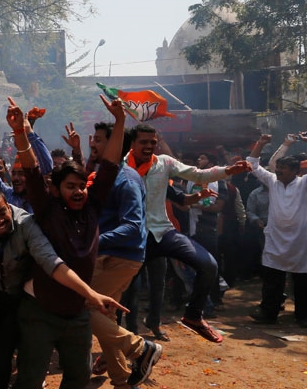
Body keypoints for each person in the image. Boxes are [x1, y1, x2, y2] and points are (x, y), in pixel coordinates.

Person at [0, 96, 128, 389]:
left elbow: (111, 164)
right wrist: (20, 131)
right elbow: (31, 169)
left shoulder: (93, 208)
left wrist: (119, 122)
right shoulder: (47, 209)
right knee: (31, 375)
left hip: (76, 312)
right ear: (56, 189)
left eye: (82, 185)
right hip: (39, 311)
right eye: (70, 185)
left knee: (80, 370)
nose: (79, 190)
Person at [126, 125, 251, 342]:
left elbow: (197, 173)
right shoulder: (121, 167)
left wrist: (228, 170)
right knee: (127, 294)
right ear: (132, 144)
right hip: (133, 237)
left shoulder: (164, 162)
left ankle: (193, 316)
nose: (149, 146)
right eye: (143, 142)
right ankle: (122, 343)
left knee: (209, 265)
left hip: (163, 231)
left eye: (152, 142)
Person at [83, 121, 162, 389]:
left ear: (117, 144)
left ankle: (140, 348)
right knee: (105, 318)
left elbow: (132, 226)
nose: (94, 143)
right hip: (109, 256)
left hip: (120, 257)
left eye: (101, 140)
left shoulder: (126, 180)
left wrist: (91, 243)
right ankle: (124, 388)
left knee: (83, 308)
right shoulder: (105, 175)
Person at [247, 134, 307, 325]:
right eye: (278, 168)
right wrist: (261, 144)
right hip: (275, 238)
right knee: (272, 279)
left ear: (295, 171)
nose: (278, 171)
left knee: (303, 282)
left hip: (300, 241)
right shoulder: (273, 181)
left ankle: (303, 316)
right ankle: (268, 312)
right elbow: (252, 165)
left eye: (283, 168)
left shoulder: (304, 183)